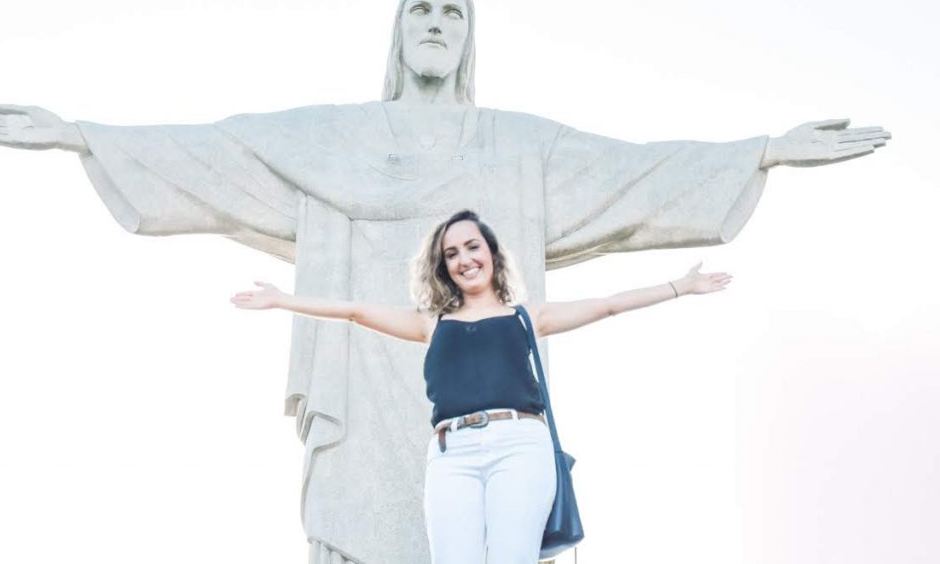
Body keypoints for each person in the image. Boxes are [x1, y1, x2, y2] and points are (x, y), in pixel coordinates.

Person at [0, 0, 887, 562]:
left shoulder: (519, 147)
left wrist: (759, 153)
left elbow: (635, 169)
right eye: (421, 9)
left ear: (469, 39)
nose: (435, 23)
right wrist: (82, 136)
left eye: (452, 12)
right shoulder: (333, 138)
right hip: (370, 401)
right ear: (397, 34)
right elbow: (221, 154)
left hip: (505, 432)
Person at [230, 209, 732, 563]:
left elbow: (608, 304)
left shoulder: (524, 317)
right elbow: (355, 311)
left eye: (473, 246)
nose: (464, 258)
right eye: (451, 253)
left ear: (491, 253)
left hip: (520, 445)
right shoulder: (432, 322)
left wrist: (679, 287)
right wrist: (282, 300)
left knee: (511, 558)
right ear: (442, 266)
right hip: (452, 454)